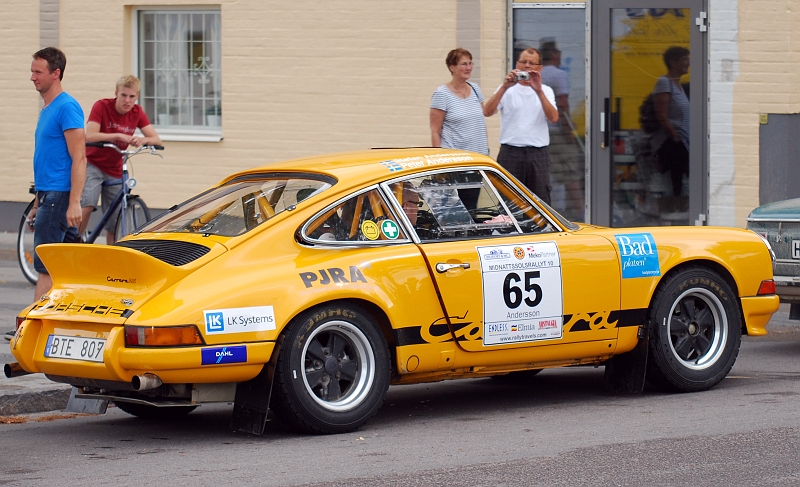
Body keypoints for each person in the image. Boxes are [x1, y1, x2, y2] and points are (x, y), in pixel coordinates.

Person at [29, 47, 86, 302]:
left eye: (38, 72)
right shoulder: (47, 109)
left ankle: (30, 326)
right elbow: (49, 160)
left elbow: (79, 157)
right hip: (49, 196)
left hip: (60, 197)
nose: (33, 77)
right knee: (65, 270)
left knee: (46, 267)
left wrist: (74, 202)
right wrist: (37, 203)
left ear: (56, 73)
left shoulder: (67, 107)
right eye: (32, 71)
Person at [79, 75, 162, 244]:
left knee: (116, 218)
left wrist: (142, 140)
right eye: (123, 95)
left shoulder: (137, 113)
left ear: (137, 97)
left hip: (115, 168)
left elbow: (156, 139)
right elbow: (90, 136)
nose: (127, 100)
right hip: (93, 164)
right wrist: (118, 135)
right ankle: (72, 242)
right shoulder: (102, 106)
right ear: (116, 93)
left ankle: (114, 259)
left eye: (132, 96)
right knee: (88, 203)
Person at [484, 48, 558, 204]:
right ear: (517, 64)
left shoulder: (546, 90)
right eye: (523, 62)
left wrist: (538, 90)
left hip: (538, 153)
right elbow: (487, 111)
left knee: (540, 200)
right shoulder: (507, 89)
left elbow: (553, 118)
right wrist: (504, 87)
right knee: (507, 200)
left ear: (540, 68)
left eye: (532, 63)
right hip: (511, 152)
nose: (527, 66)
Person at [539, 39, 584, 221]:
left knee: (547, 174)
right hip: (556, 131)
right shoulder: (559, 75)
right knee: (570, 171)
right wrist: (568, 131)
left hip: (540, 132)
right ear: (555, 55)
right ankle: (581, 213)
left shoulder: (538, 74)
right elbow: (563, 104)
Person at [430, 48, 489, 156]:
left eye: (470, 63)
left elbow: (479, 124)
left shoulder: (475, 89)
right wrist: (438, 157)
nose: (469, 68)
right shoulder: (441, 94)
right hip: (456, 160)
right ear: (452, 67)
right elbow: (435, 131)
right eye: (464, 64)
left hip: (479, 158)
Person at [652, 46, 690, 198]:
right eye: (685, 59)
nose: (688, 63)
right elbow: (662, 115)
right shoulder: (664, 82)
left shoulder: (678, 85)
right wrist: (675, 137)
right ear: (673, 63)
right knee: (677, 185)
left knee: (682, 183)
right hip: (676, 145)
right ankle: (675, 210)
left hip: (684, 143)